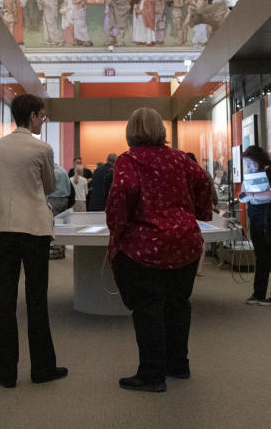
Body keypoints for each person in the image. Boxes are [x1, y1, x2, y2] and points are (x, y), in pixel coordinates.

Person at [106, 108, 214, 392]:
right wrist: (199, 214)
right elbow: (204, 182)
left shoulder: (129, 160)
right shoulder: (180, 158)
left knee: (148, 309)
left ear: (131, 131)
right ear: (161, 130)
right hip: (186, 244)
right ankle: (178, 364)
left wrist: (118, 229)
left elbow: (121, 192)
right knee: (179, 304)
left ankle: (152, 374)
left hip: (145, 247)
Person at [0, 94, 67, 387]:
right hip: (34, 230)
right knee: (37, 300)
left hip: (2, 230)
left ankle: (5, 373)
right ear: (32, 116)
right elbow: (50, 186)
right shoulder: (42, 149)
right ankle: (42, 369)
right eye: (42, 115)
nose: (43, 120)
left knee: (5, 300)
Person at [238, 145, 271, 306]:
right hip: (256, 219)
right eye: (247, 165)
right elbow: (243, 195)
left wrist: (252, 194)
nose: (249, 167)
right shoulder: (252, 174)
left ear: (259, 160)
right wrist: (245, 196)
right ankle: (258, 293)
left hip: (269, 220)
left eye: (251, 164)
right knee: (261, 257)